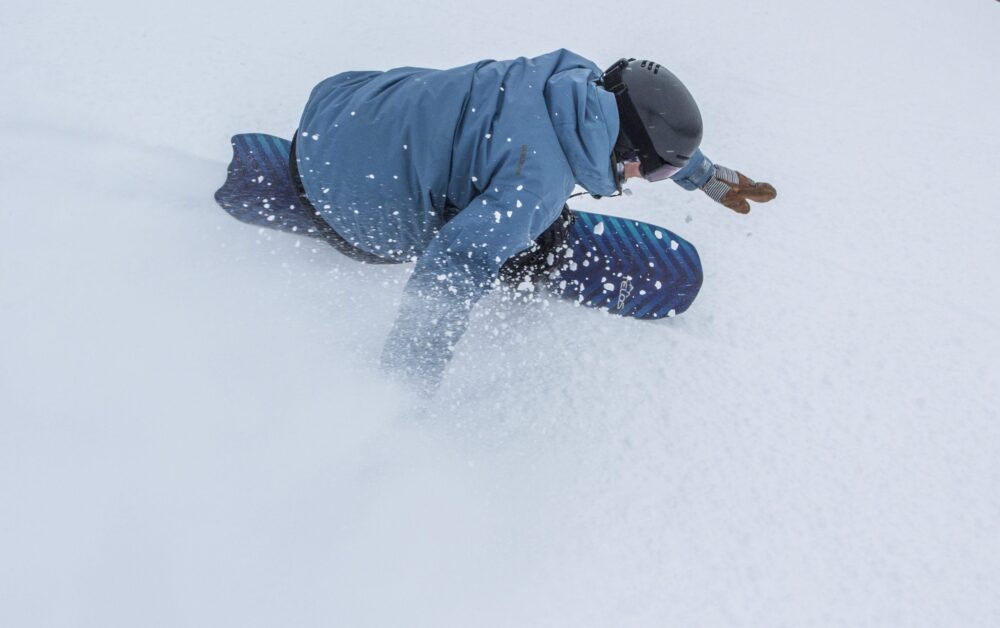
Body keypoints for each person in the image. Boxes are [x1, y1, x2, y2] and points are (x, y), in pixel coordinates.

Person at [288, 49, 776, 391]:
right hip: (344, 210)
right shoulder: (534, 189)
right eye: (654, 169)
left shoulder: (569, 79)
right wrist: (400, 391)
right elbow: (450, 268)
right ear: (631, 150)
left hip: (338, 103)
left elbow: (636, 121)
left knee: (468, 121)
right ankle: (542, 257)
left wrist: (704, 174)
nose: (646, 178)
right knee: (525, 236)